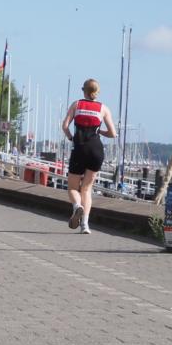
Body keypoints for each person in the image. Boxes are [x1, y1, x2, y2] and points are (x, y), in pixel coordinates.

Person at [61, 78, 117, 235]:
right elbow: (113, 134)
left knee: (73, 187)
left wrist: (71, 138)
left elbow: (64, 126)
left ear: (83, 90)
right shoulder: (103, 108)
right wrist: (100, 132)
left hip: (79, 148)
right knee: (86, 188)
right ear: (97, 92)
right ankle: (85, 225)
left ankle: (77, 206)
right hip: (96, 150)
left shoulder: (76, 105)